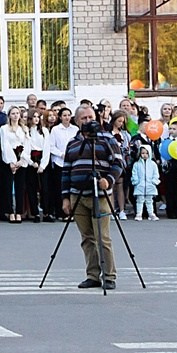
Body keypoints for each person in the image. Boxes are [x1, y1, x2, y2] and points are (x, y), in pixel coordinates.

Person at [62, 108, 124, 291]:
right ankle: (92, 275)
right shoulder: (73, 143)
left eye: (90, 117)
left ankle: (109, 275)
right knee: (86, 238)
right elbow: (66, 171)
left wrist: (108, 180)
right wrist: (65, 198)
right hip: (77, 195)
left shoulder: (107, 139)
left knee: (102, 237)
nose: (88, 120)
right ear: (77, 121)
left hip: (100, 195)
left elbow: (119, 162)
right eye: (84, 118)